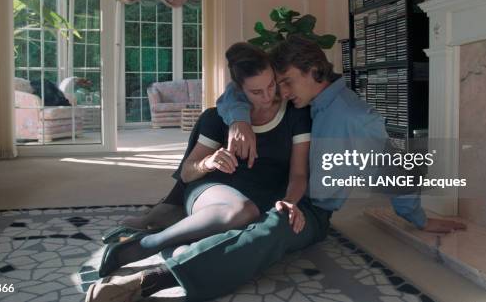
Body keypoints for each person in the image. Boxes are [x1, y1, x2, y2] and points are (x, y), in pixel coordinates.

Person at [86, 35, 466, 302]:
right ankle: (158, 226)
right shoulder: (301, 101)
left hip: (313, 209)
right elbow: (237, 90)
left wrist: (416, 217)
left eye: (285, 82)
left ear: (315, 69)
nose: (278, 94)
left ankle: (152, 279)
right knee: (242, 211)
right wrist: (239, 120)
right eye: (276, 84)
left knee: (269, 233)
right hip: (273, 191)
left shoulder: (355, 117)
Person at [87, 42, 312, 299]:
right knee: (242, 211)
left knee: (250, 223)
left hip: (261, 194)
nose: (267, 95)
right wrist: (210, 162)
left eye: (271, 84)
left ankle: (166, 238)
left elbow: (298, 174)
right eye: (256, 91)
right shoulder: (219, 118)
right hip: (214, 189)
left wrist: (290, 201)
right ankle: (145, 245)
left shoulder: (296, 115)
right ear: (239, 90)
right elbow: (187, 173)